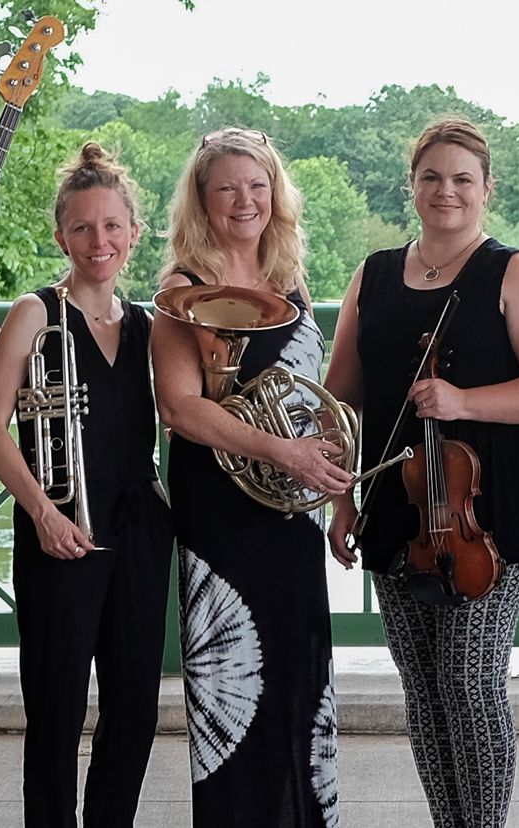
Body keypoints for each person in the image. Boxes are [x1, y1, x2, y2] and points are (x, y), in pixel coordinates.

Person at [323, 117, 519, 828]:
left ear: (486, 188)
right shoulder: (373, 275)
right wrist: (341, 499)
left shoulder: (513, 272)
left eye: (463, 179)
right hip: (398, 505)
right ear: (411, 186)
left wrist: (465, 401)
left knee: (469, 680)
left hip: (488, 512)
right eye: (431, 177)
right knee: (425, 689)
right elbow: (341, 398)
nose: (447, 191)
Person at [149, 126, 348, 827]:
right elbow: (180, 408)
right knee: (233, 684)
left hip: (292, 507)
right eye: (227, 188)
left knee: (298, 675)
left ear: (277, 195)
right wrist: (282, 452)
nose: (245, 201)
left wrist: (326, 457)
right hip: (223, 508)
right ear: (201, 201)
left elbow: (311, 390)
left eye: (258, 186)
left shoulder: (291, 279)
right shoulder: (182, 287)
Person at [0, 143, 171, 827]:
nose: (99, 241)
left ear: (134, 234)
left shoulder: (150, 324)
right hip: (59, 523)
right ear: (62, 236)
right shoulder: (34, 313)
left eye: (113, 226)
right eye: (83, 228)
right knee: (57, 709)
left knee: (135, 708)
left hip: (140, 526)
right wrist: (41, 513)